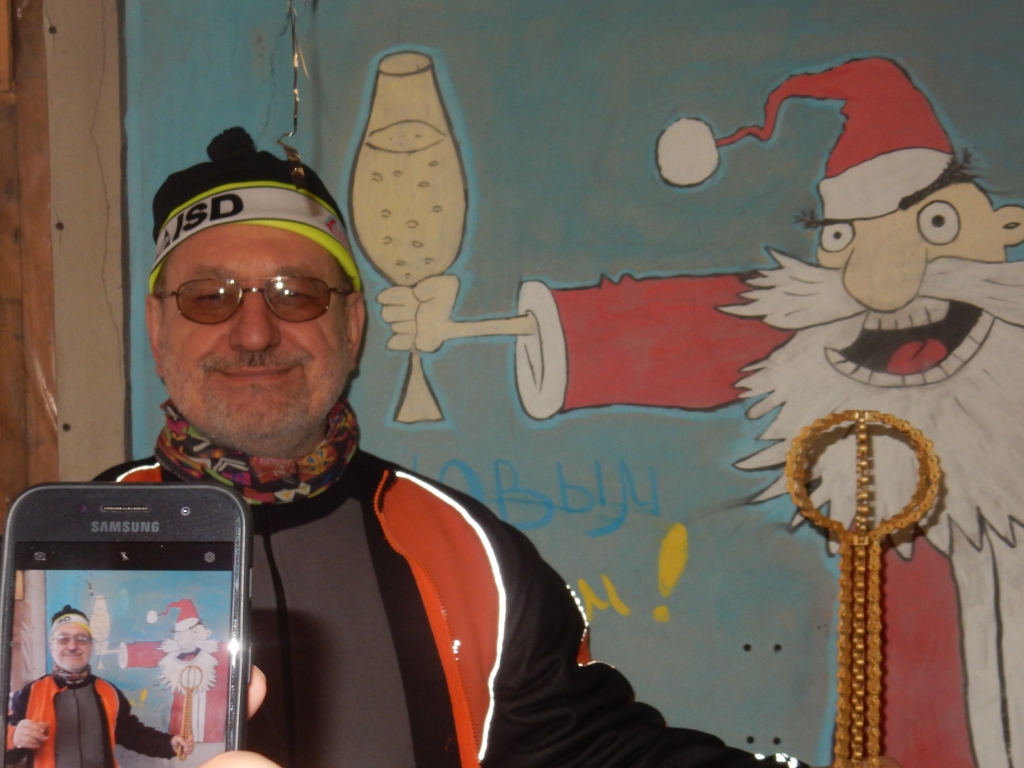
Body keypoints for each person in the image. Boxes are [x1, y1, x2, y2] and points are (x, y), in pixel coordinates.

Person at [97, 128, 900, 768]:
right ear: (158, 331)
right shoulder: (73, 551)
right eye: (208, 297)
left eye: (295, 293)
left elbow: (593, 752)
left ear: (352, 326)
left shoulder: (464, 550)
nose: (254, 331)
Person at [6, 606, 194, 768]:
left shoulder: (109, 692)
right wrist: (14, 738)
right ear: (51, 645)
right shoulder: (29, 694)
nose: (72, 646)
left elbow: (133, 735)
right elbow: (8, 754)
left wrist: (169, 744)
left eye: (81, 638)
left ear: (91, 646)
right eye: (63, 638)